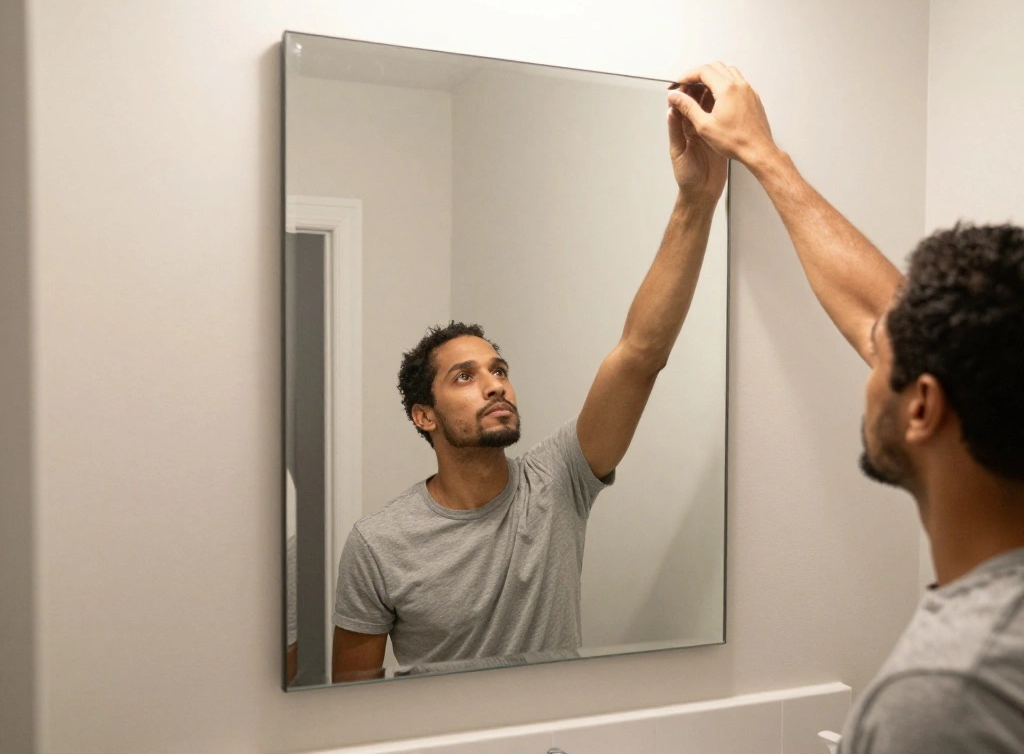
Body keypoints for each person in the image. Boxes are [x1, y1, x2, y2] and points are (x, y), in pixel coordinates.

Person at [668, 62, 1024, 752]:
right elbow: (887, 317)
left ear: (923, 407)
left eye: (878, 353)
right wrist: (763, 158)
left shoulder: (949, 695)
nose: (868, 355)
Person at [330, 87, 727, 682]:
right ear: (425, 415)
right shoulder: (379, 543)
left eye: (499, 370)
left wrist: (696, 198)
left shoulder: (559, 480)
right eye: (465, 377)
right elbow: (352, 699)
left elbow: (640, 355)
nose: (495, 385)